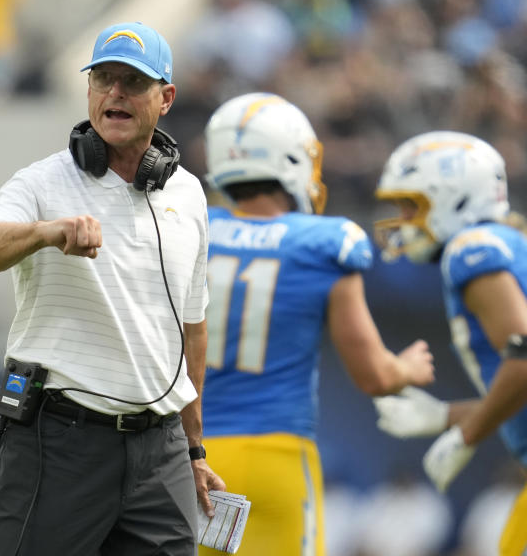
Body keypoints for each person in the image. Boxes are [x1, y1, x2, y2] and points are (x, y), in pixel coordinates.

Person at [0, 21, 225, 555]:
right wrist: (45, 233)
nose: (115, 93)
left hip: (161, 448)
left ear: (166, 98)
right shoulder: (43, 182)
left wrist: (194, 450)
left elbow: (192, 331)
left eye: (133, 81)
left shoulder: (189, 194)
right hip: (60, 442)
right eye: (103, 79)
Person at [198, 92, 436, 556]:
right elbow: (374, 375)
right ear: (289, 156)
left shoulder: (189, 227)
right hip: (275, 455)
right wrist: (407, 369)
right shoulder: (323, 241)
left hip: (190, 457)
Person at [371, 130, 527, 556]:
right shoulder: (506, 243)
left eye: (411, 205)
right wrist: (448, 416)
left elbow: (525, 353)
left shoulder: (469, 248)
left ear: (454, 198)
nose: (403, 219)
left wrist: (468, 435)